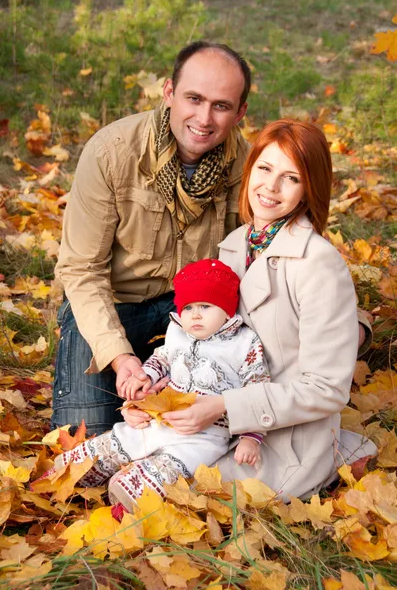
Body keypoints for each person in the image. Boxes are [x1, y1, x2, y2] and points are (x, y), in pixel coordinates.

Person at [120, 119, 376, 501]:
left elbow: (326, 389)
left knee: (149, 493)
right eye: (265, 169)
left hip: (282, 436)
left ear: (309, 189)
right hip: (214, 417)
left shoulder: (320, 263)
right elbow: (210, 340)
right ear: (250, 168)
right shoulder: (235, 244)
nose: (270, 188)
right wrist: (156, 392)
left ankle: (331, 460)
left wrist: (224, 407)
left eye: (291, 178)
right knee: (119, 458)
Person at [53, 41, 251, 437]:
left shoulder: (247, 166)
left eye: (221, 106)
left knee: (208, 435)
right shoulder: (112, 153)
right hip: (114, 305)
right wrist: (120, 356)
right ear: (168, 92)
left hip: (196, 313)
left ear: (240, 112)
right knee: (89, 439)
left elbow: (273, 252)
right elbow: (81, 269)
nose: (204, 118)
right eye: (193, 98)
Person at [50, 259, 270, 511]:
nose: (195, 315)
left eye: (206, 306)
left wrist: (251, 437)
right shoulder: (179, 332)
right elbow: (162, 358)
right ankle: (71, 474)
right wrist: (144, 377)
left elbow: (257, 389)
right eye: (188, 308)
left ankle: (128, 495)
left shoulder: (243, 343)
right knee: (123, 438)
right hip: (162, 417)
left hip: (205, 434)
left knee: (173, 467)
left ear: (227, 310)